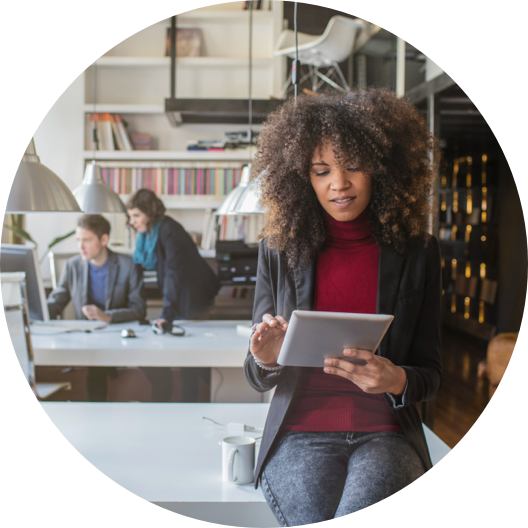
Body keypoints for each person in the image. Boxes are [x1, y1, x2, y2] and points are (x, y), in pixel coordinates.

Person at [244, 88, 442, 525]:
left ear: (382, 169)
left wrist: (396, 379)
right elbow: (256, 374)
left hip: (387, 435)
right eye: (321, 171)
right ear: (301, 178)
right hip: (299, 434)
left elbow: (430, 373)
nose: (339, 183)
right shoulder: (277, 251)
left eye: (354, 165)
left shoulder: (419, 253)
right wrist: (266, 357)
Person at [46, 214, 162, 401]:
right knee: (95, 372)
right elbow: (57, 301)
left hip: (123, 334)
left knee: (160, 373)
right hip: (90, 339)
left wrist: (108, 316)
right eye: (78, 240)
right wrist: (36, 313)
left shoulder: (129, 265)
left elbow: (139, 309)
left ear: (104, 239)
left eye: (86, 240)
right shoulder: (73, 265)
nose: (80, 246)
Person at [126, 189, 221, 402]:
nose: (132, 221)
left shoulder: (169, 230)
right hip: (183, 293)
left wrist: (166, 314)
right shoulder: (153, 231)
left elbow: (173, 273)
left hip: (193, 295)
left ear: (150, 212)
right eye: (130, 216)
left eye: (136, 216)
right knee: (188, 355)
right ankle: (193, 401)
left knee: (190, 355)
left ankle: (206, 396)